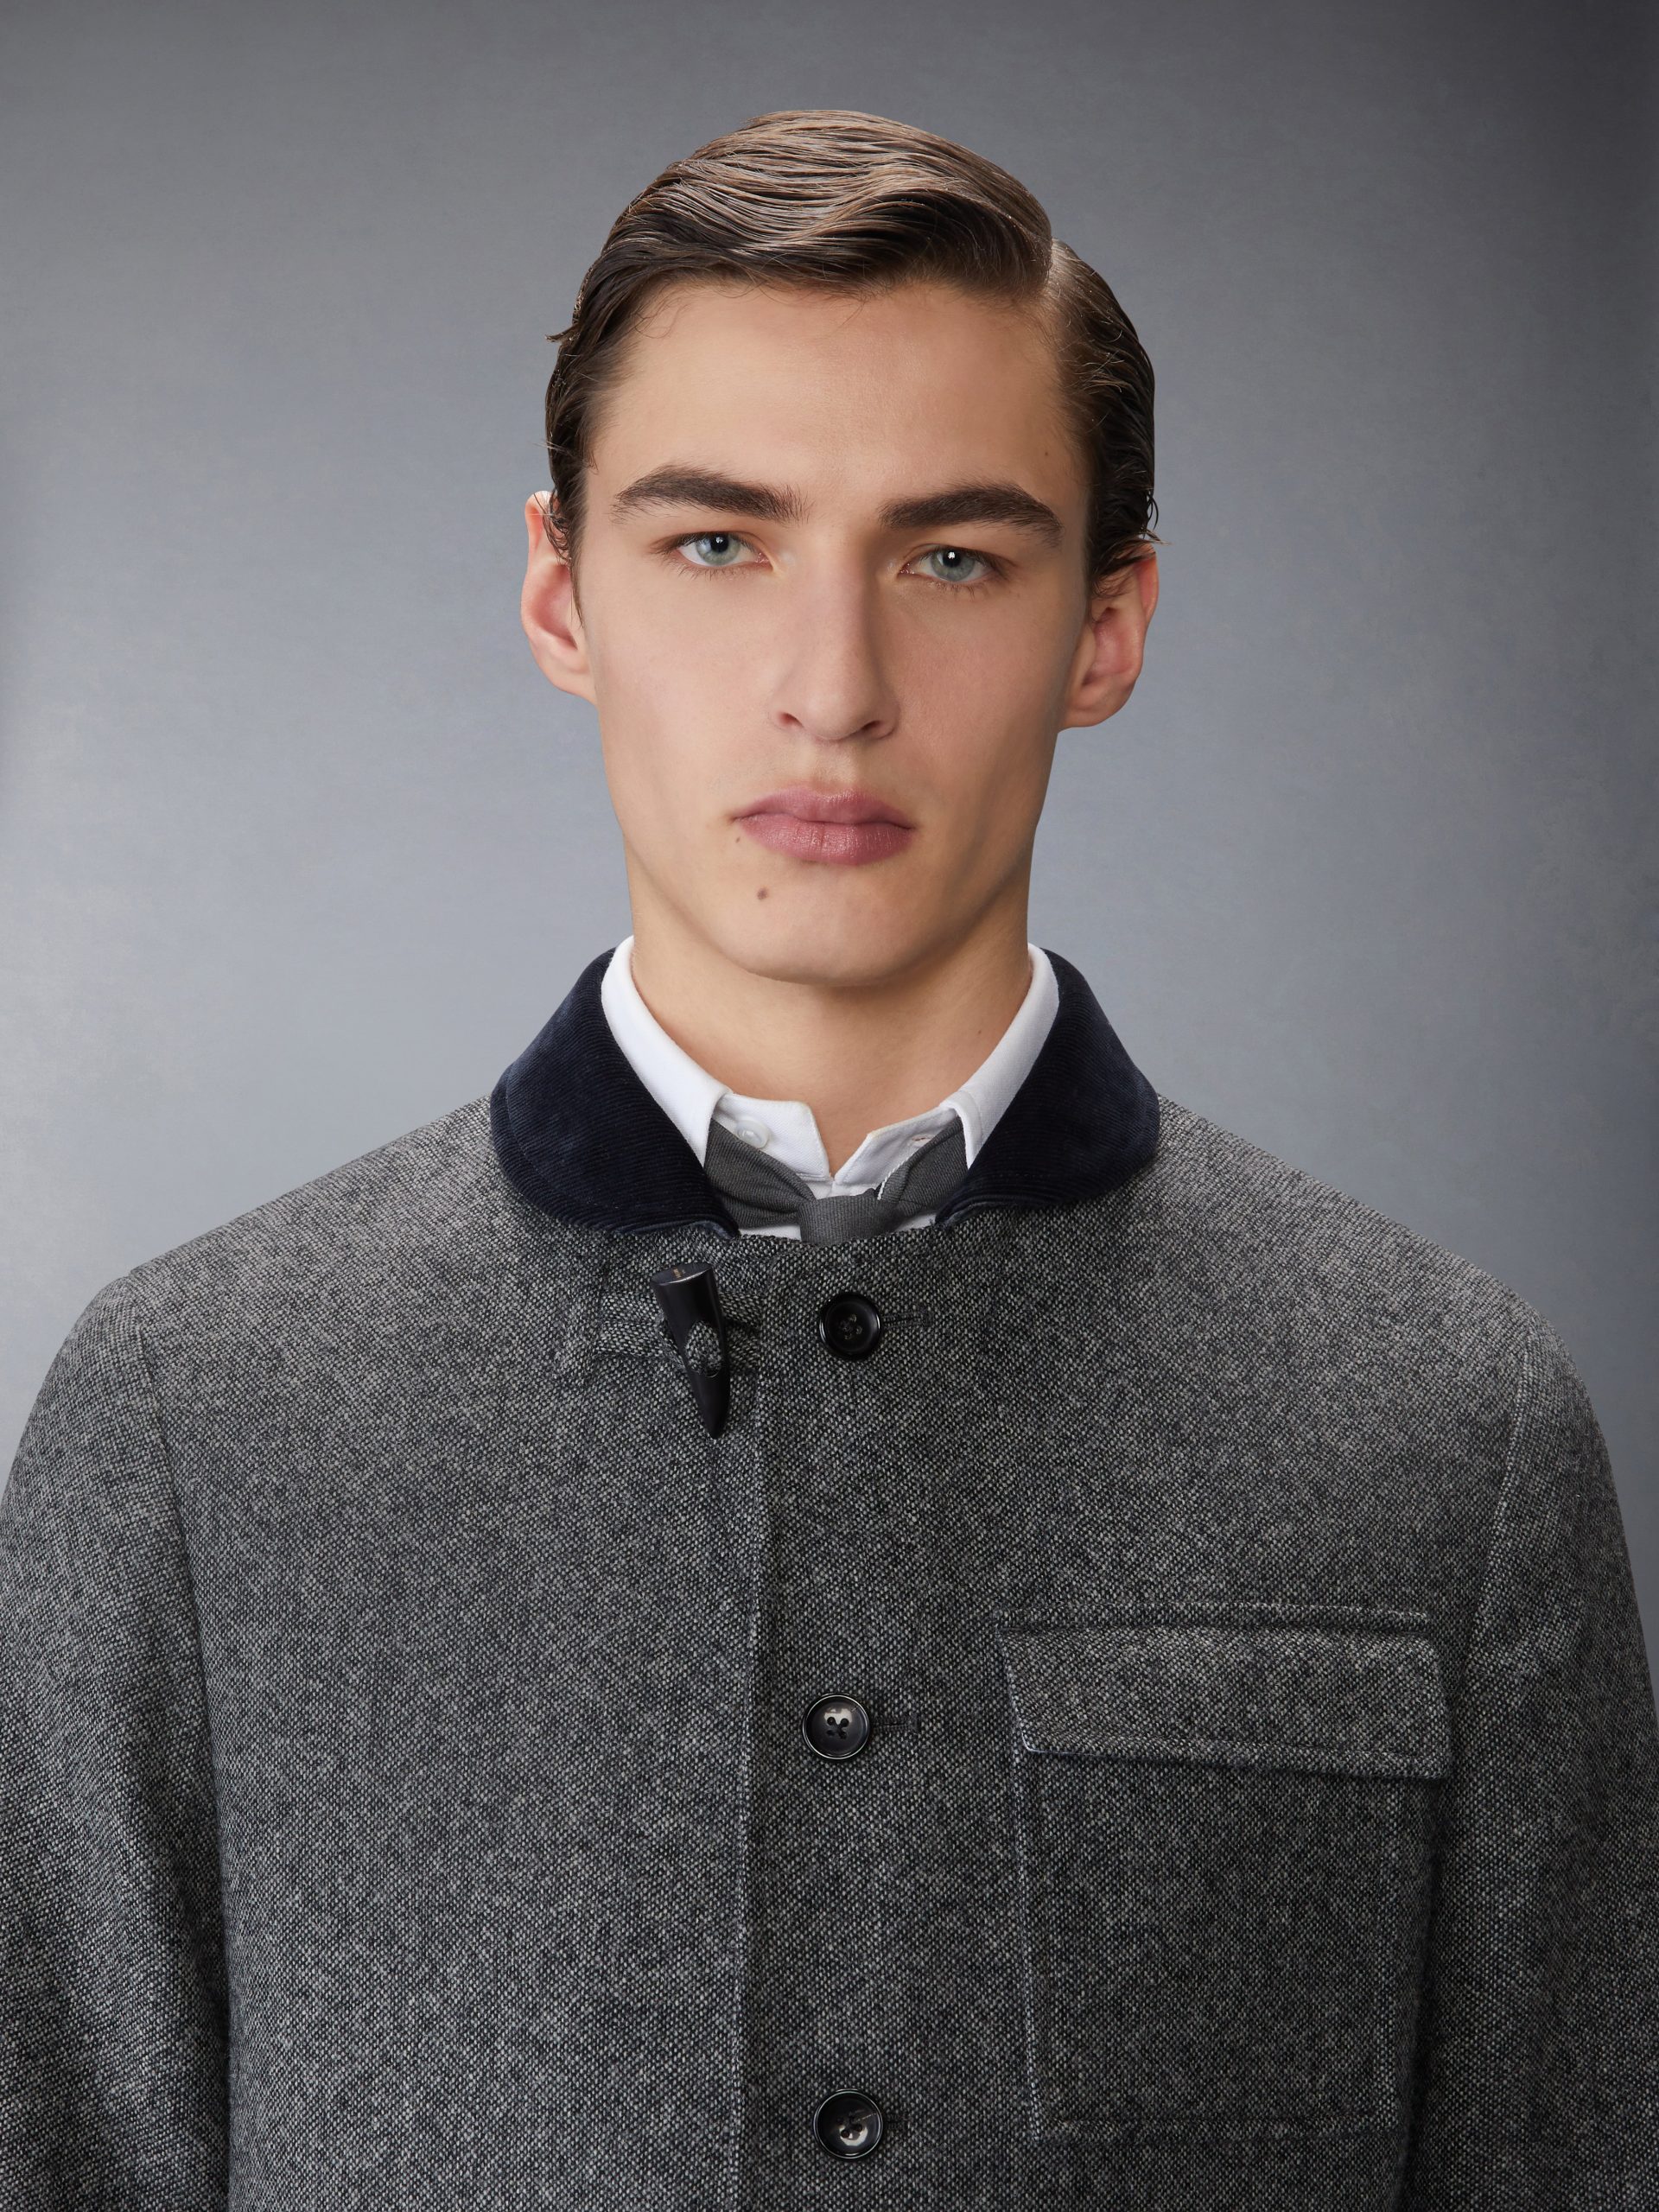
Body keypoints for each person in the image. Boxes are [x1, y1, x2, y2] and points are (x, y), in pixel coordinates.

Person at [2, 107, 1655, 2212]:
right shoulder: (186, 1423)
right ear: (561, 592)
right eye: (719, 544)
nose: (834, 689)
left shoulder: (1452, 1433)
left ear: (1108, 625)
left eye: (954, 558)